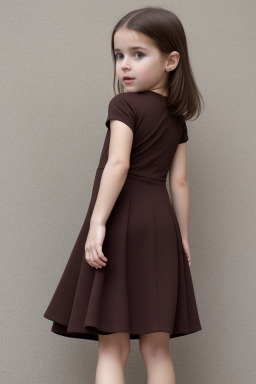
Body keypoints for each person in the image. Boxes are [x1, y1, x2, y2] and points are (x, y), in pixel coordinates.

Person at [44, 6, 204, 384]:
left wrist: (98, 223)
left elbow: (118, 165)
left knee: (113, 347)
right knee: (156, 347)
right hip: (160, 224)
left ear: (171, 60)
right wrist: (182, 235)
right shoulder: (177, 119)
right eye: (118, 56)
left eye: (137, 54)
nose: (124, 66)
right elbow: (178, 182)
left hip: (122, 219)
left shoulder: (124, 105)